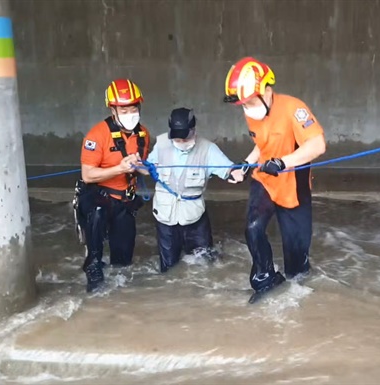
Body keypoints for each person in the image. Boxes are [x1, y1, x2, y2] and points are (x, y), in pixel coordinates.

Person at [223, 57, 327, 303]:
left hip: (293, 185)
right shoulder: (253, 111)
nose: (246, 108)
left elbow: (318, 145)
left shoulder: (294, 109)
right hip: (265, 180)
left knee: (296, 256)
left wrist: (283, 163)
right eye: (242, 104)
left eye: (248, 102)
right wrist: (247, 164)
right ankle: (265, 279)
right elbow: (263, 145)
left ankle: (297, 293)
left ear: (266, 90)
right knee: (253, 229)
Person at [140, 107, 245, 273]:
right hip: (165, 216)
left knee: (204, 267)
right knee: (168, 269)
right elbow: (147, 168)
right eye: (177, 139)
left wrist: (237, 173)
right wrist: (136, 165)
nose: (181, 142)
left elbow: (229, 169)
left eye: (185, 138)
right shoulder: (161, 144)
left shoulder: (208, 149)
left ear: (193, 130)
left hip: (195, 218)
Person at [74, 78, 151, 292]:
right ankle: (93, 266)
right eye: (123, 110)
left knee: (124, 261)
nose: (130, 114)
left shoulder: (143, 134)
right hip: (99, 195)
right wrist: (120, 168)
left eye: (133, 109)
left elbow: (142, 164)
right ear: (113, 110)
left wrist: (145, 168)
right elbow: (88, 175)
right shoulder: (97, 135)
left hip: (125, 199)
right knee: (96, 216)